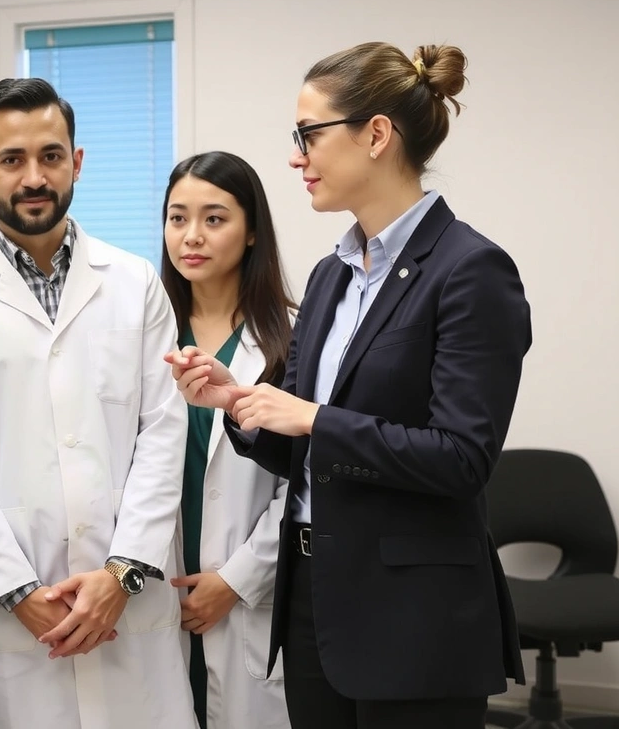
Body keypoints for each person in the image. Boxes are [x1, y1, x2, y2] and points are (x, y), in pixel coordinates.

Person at [165, 42, 532, 729]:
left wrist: (312, 418)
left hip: (414, 616)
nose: (296, 156)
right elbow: (307, 452)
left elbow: (462, 459)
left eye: (308, 135)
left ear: (376, 135)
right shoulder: (332, 276)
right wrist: (240, 407)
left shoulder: (470, 271)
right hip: (314, 604)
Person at [0, 77, 198, 729]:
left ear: (77, 160)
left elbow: (162, 433)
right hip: (19, 619)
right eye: (12, 160)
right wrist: (20, 593)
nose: (34, 176)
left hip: (131, 609)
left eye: (50, 155)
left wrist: (122, 578)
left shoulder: (135, 283)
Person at [160, 151, 294, 729]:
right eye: (177, 217)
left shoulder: (292, 338)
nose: (192, 236)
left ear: (252, 231)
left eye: (214, 219)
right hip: (153, 586)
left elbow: (306, 483)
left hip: (245, 594)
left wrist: (236, 581)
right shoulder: (144, 337)